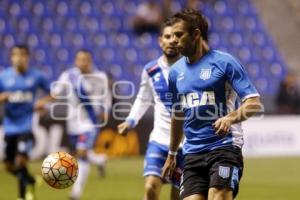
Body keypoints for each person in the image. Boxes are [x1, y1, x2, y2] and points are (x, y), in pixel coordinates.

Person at [162, 9, 263, 200]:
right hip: (192, 153)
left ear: (196, 34)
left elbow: (254, 102)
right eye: (172, 35)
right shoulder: (175, 73)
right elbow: (177, 115)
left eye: (179, 34)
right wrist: (172, 153)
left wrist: (230, 118)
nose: (173, 40)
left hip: (224, 148)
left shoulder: (224, 63)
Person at [118, 19, 183, 200]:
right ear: (160, 40)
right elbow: (143, 98)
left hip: (185, 145)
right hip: (159, 140)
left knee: (177, 195)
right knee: (151, 188)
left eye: (176, 37)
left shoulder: (190, 67)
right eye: (167, 36)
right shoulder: (151, 70)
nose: (172, 40)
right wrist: (130, 121)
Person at [51, 49, 111, 200]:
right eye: (80, 59)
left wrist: (105, 110)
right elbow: (56, 92)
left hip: (90, 123)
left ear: (90, 61)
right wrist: (44, 102)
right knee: (80, 153)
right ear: (76, 61)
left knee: (82, 153)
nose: (83, 62)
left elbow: (107, 96)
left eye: (86, 59)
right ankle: (100, 160)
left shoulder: (99, 77)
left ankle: (76, 193)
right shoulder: (68, 75)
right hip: (72, 123)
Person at [0, 44, 53, 200]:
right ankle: (31, 180)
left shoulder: (36, 76)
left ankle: (22, 196)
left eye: (22, 54)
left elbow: (53, 93)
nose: (19, 58)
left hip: (27, 126)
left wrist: (42, 102)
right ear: (11, 57)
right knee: (9, 166)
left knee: (21, 160)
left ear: (27, 57)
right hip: (9, 127)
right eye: (16, 54)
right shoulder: (4, 77)